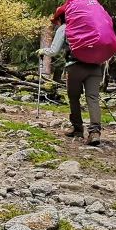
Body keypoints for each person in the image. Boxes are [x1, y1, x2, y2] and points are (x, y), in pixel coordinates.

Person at [38, 12, 102, 146]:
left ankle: (78, 129)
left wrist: (42, 51)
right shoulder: (90, 25)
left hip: (75, 67)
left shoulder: (65, 28)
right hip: (95, 67)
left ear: (61, 18)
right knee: (93, 98)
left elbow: (54, 51)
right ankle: (95, 132)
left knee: (74, 97)